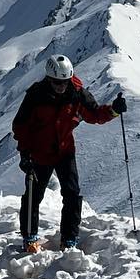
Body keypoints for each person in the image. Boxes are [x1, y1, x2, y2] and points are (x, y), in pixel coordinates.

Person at [12, 53, 126, 253]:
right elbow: (21, 126)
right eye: (57, 82)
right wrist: (25, 154)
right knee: (33, 195)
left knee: (72, 194)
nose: (61, 86)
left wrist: (114, 111)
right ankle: (29, 238)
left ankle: (69, 239)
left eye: (63, 82)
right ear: (49, 79)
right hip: (39, 152)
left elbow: (95, 114)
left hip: (64, 150)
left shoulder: (77, 93)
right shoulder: (36, 96)